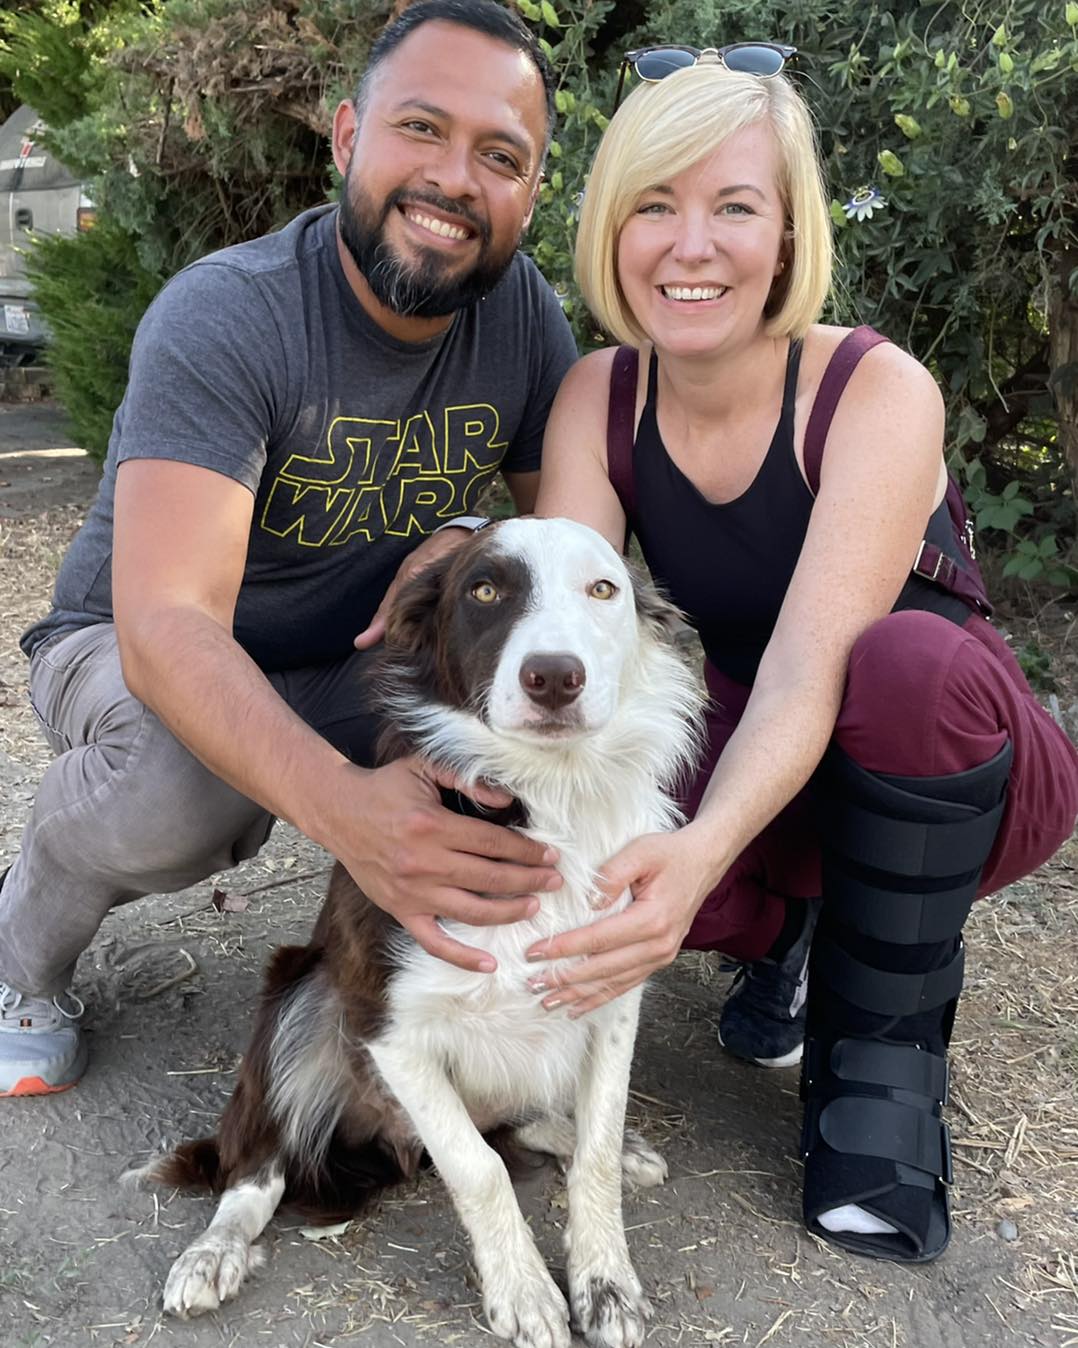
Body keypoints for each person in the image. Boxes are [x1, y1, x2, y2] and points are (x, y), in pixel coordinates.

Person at [528, 45, 1078, 1264]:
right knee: (625, 766)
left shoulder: (875, 389)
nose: (691, 245)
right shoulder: (593, 400)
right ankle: (786, 929)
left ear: (787, 235)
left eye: (735, 206)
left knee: (899, 666)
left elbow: (807, 667)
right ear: (611, 228)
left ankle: (878, 1077)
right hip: (770, 754)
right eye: (655, 206)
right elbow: (572, 649)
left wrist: (699, 848)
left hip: (943, 754)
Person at [0, 0, 580, 1099]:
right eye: (421, 128)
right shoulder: (230, 314)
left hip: (345, 657)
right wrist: (347, 807)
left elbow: (573, 537)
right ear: (347, 135)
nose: (455, 178)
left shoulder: (523, 320)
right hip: (122, 641)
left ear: (531, 190)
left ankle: (443, 1009)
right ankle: (19, 949)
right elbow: (167, 625)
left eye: (499, 154)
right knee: (184, 794)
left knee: (511, 748)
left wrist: (473, 533)